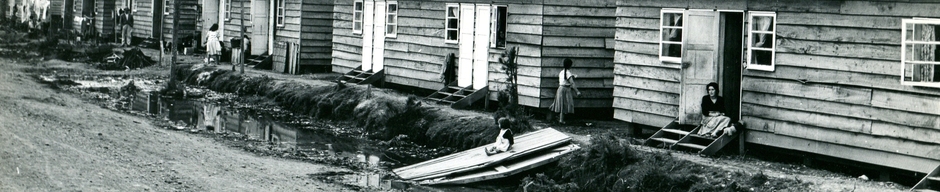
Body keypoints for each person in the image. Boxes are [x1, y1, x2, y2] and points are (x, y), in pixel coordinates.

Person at [549, 58, 581, 124]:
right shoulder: (568, 73)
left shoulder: (562, 72)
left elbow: (564, 79)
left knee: (561, 104)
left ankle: (560, 119)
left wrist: (572, 76)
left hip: (560, 88)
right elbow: (572, 83)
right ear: (570, 65)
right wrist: (577, 91)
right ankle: (561, 120)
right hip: (565, 89)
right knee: (564, 104)